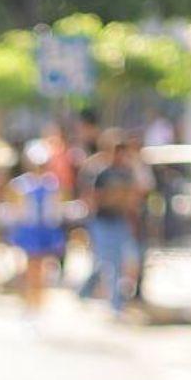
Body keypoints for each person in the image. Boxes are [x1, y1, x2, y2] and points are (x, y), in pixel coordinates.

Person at [77, 133, 144, 314]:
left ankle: (97, 297)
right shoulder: (103, 174)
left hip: (120, 222)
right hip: (103, 221)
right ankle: (111, 302)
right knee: (107, 262)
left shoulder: (128, 173)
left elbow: (135, 195)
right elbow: (94, 198)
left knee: (119, 261)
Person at [5, 139, 66, 317]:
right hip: (28, 229)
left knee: (41, 267)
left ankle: (37, 301)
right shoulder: (21, 184)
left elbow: (56, 207)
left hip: (45, 229)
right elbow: (15, 209)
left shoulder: (51, 184)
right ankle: (29, 300)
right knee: (29, 266)